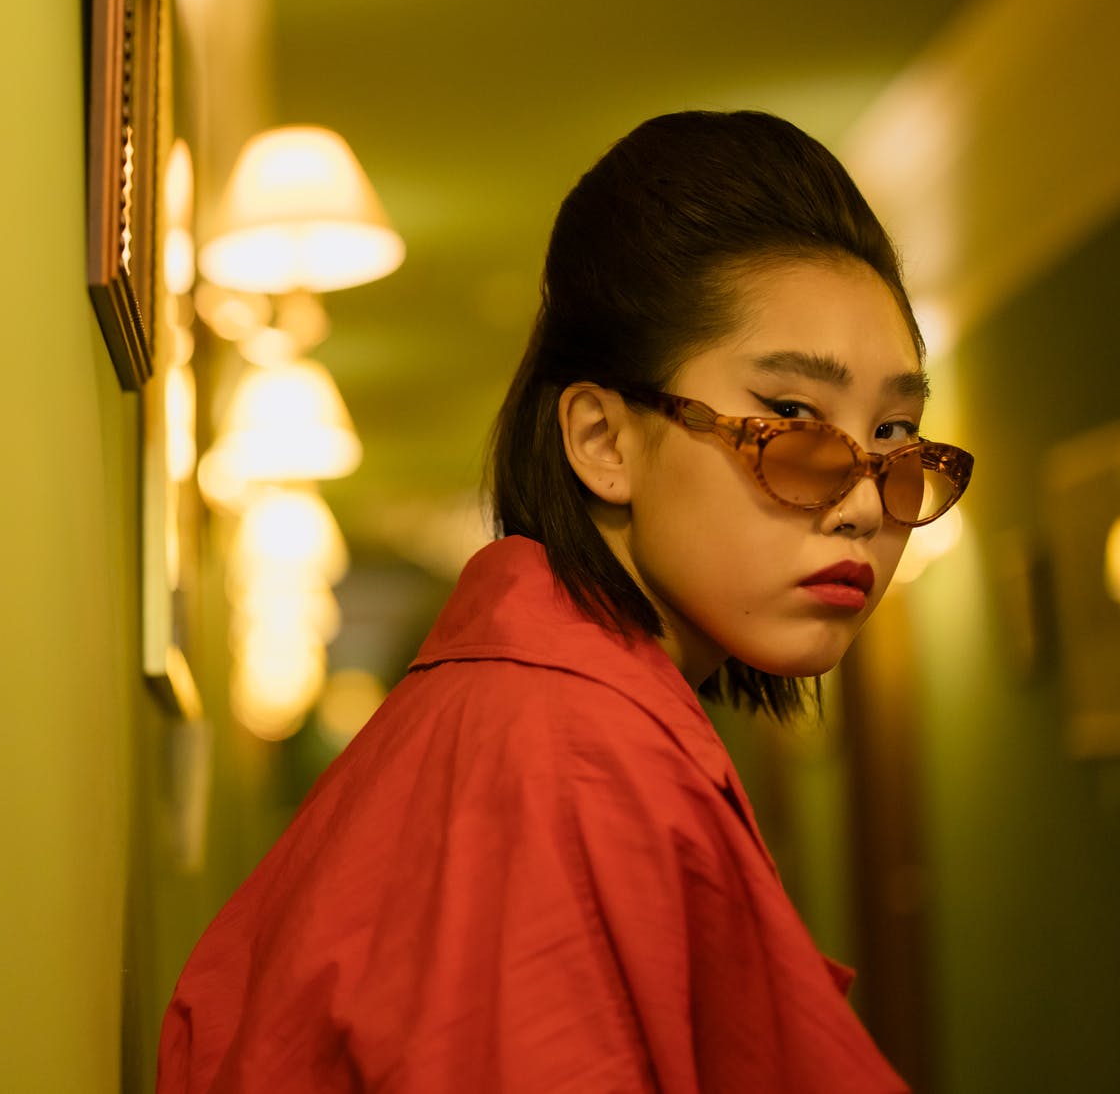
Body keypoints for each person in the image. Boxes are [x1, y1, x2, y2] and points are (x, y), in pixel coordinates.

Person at [157, 111, 973, 1093]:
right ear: (601, 438)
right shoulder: (560, 751)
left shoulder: (560, 713)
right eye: (791, 417)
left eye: (892, 429)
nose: (857, 499)